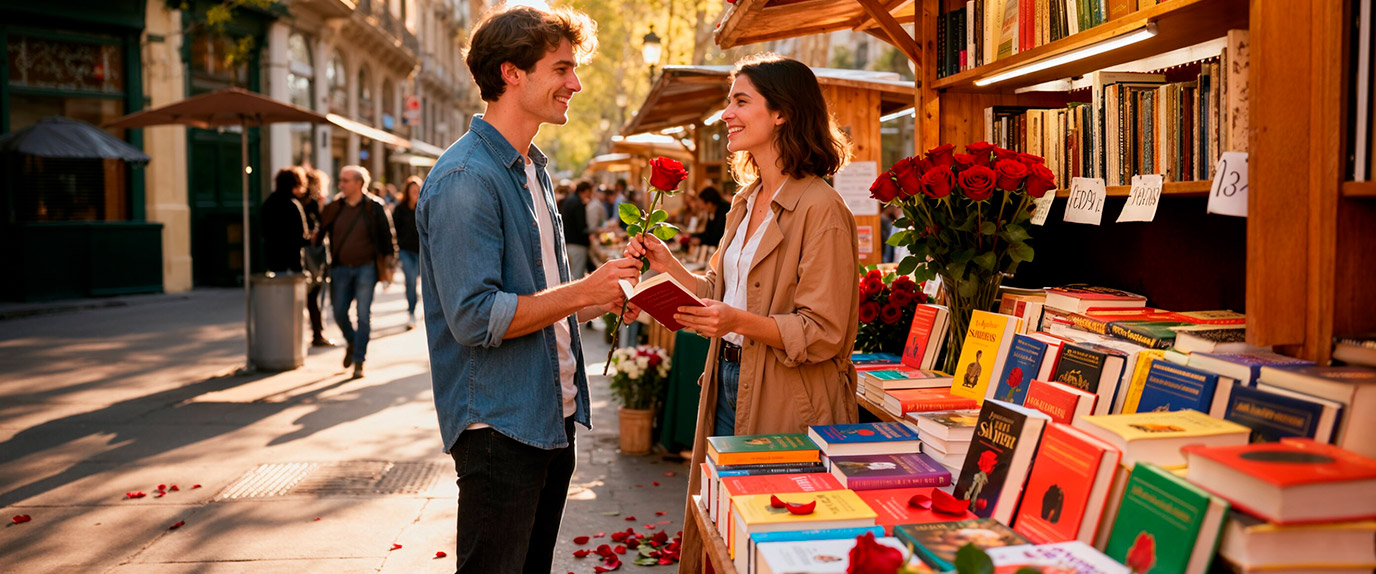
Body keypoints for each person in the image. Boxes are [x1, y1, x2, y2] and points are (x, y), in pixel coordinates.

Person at [416, 6, 642, 573]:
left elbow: (540, 295)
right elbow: (475, 317)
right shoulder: (467, 179)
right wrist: (582, 291)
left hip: (547, 414)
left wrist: (598, 298)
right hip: (500, 426)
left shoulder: (532, 169)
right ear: (512, 73)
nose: (576, 83)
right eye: (562, 68)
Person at [624, 53, 861, 571]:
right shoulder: (746, 200)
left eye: (739, 101)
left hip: (787, 396)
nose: (726, 114)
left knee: (774, 542)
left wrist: (734, 323)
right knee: (728, 534)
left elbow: (824, 331)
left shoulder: (821, 209)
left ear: (781, 113)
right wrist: (669, 268)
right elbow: (722, 291)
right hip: (727, 382)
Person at [317, 165, 397, 378]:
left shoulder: (374, 207)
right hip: (340, 268)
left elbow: (387, 236)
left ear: (359, 183)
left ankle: (359, 360)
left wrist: (390, 262)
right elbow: (319, 234)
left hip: (366, 269)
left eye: (345, 180)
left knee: (363, 315)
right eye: (340, 180)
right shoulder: (335, 207)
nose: (340, 184)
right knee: (339, 312)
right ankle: (352, 341)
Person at [303, 168, 335, 346]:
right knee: (314, 293)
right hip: (313, 253)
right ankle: (317, 332)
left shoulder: (301, 201)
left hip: (308, 253)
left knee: (311, 295)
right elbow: (321, 226)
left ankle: (317, 330)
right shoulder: (314, 202)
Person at [262, 166, 310, 275]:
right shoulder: (293, 205)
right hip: (293, 261)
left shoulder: (268, 203)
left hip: (273, 259)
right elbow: (300, 235)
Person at [393, 175, 423, 329]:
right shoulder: (400, 208)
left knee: (422, 282)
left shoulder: (424, 207)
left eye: (418, 191)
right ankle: (411, 312)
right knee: (410, 281)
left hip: (422, 251)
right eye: (413, 191)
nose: (416, 194)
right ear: (407, 192)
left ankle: (421, 306)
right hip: (405, 251)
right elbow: (394, 230)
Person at [558, 180, 594, 279]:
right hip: (577, 244)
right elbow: (581, 226)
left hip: (569, 242)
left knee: (572, 274)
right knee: (577, 275)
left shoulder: (571, 200)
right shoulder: (577, 203)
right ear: (586, 190)